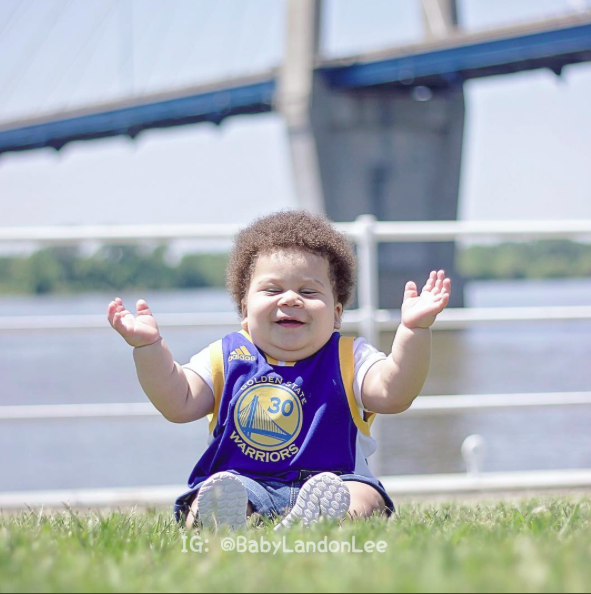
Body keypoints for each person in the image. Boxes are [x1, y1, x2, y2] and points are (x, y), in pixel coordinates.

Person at [107, 210, 451, 530]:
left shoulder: (350, 357)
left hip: (336, 480)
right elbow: (178, 402)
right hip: (243, 482)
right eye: (272, 289)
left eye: (308, 291)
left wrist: (413, 331)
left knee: (363, 498)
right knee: (217, 496)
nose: (289, 299)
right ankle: (222, 518)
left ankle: (322, 520)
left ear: (336, 313)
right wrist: (149, 348)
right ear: (245, 308)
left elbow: (394, 393)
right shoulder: (225, 357)